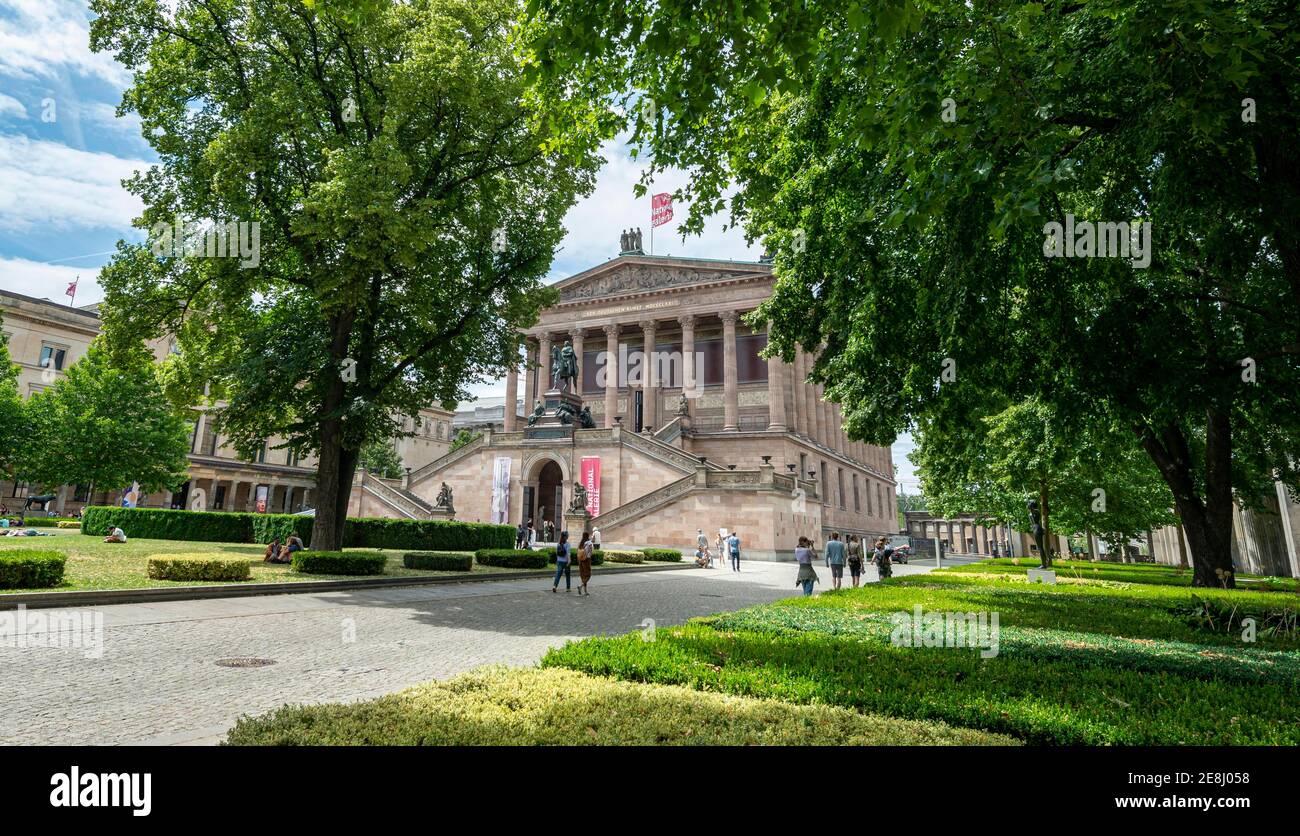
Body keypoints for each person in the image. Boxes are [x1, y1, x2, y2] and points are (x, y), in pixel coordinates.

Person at [577, 530, 594, 596]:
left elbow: (578, 552)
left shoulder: (580, 543)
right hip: (587, 560)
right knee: (588, 575)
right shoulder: (589, 543)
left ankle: (585, 591)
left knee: (583, 575)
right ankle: (580, 586)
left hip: (580, 560)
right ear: (588, 536)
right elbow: (590, 552)